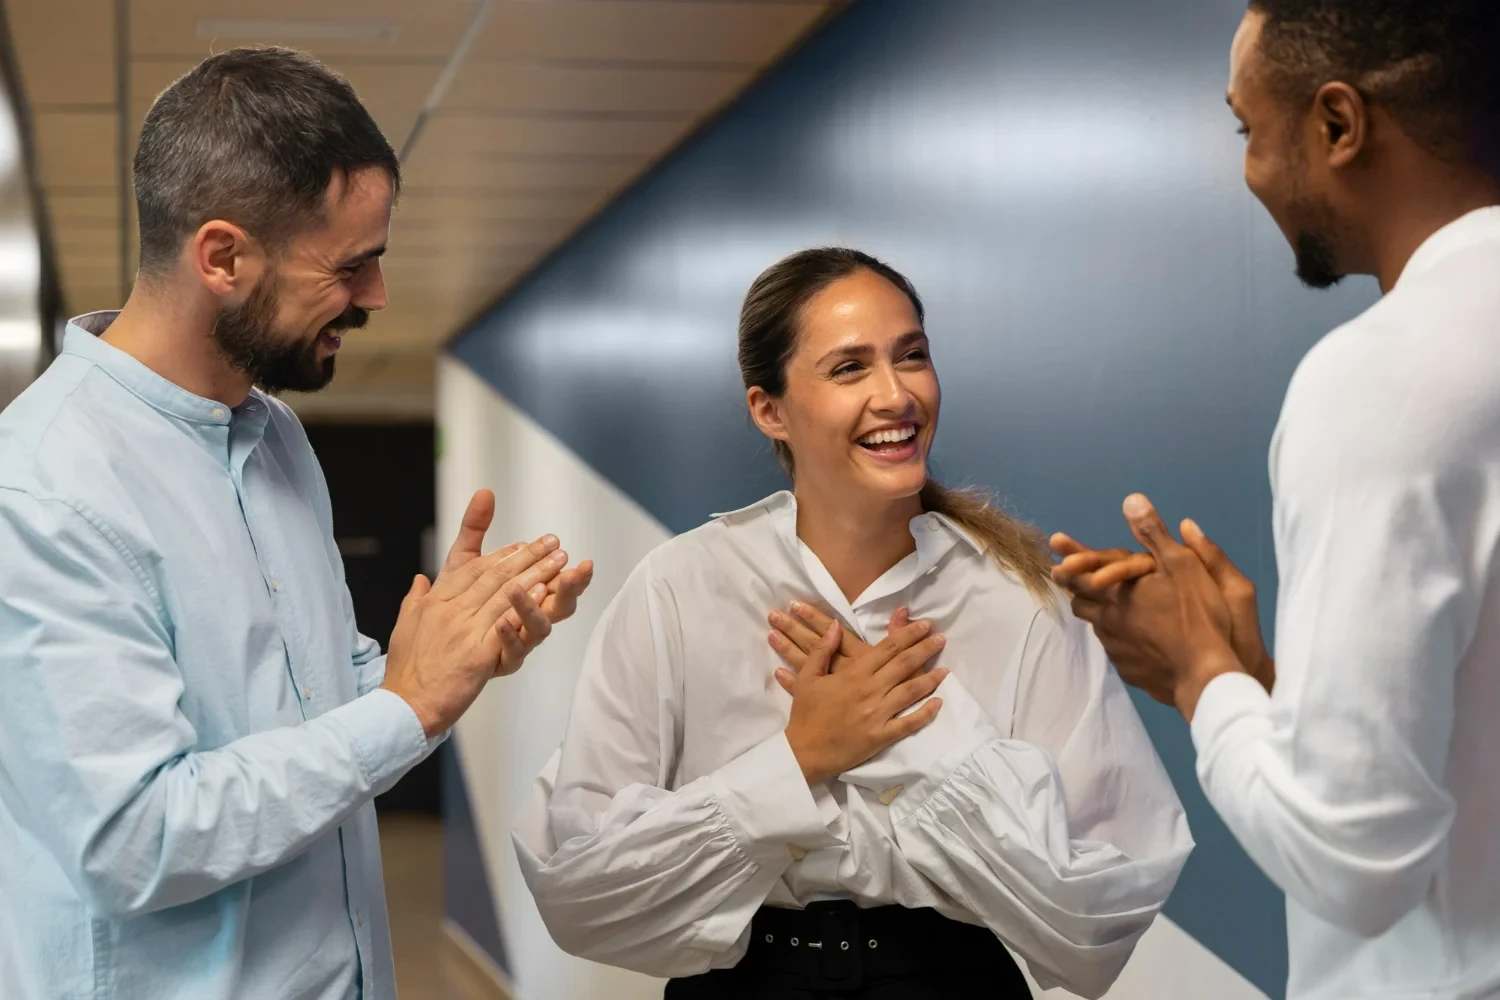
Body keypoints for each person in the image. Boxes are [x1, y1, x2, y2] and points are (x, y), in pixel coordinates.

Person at [0, 48, 593, 1000]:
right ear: (223, 257)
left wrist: (446, 652)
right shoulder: (44, 487)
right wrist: (409, 706)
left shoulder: (275, 435)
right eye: (351, 266)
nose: (376, 297)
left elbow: (314, 698)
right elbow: (133, 839)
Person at [513, 248, 1191, 999]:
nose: (896, 394)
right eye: (850, 369)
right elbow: (579, 885)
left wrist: (918, 735)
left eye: (913, 357)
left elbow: (1099, 921)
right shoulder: (680, 589)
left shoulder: (1020, 601)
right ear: (769, 409)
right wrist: (801, 757)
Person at [1050, 1, 1500, 997]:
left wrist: (1198, 673)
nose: (1248, 168)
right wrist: (1262, 679)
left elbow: (1356, 864)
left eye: (1248, 129)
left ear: (1339, 125)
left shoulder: (1388, 376)